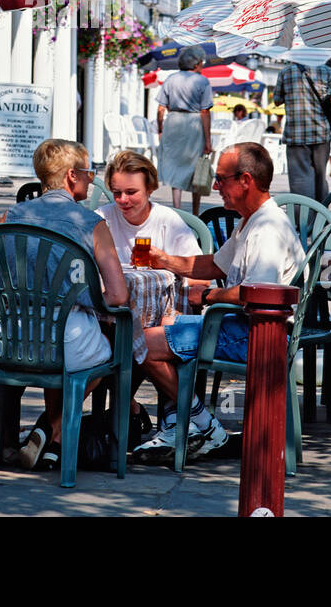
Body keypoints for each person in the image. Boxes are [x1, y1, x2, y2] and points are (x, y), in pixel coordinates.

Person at [134, 142, 304, 463]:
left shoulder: (267, 229)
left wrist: (208, 296)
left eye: (221, 179)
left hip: (259, 337)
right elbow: (213, 266)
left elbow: (255, 293)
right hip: (241, 327)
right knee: (160, 328)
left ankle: (203, 425)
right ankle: (184, 424)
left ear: (246, 181)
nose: (215, 186)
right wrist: (165, 260)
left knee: (138, 341)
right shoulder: (251, 219)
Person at [4, 139, 128, 471]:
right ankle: (52, 428)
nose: (91, 179)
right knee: (108, 350)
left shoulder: (14, 214)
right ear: (72, 176)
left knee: (68, 342)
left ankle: (53, 439)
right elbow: (118, 297)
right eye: (89, 173)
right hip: (67, 340)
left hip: (15, 340)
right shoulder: (90, 223)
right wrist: (84, 296)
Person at [97, 150, 202, 267]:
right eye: (116, 192)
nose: (123, 200)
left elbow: (201, 276)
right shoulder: (102, 218)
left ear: (149, 189)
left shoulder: (168, 221)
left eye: (131, 192)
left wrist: (167, 263)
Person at [155, 46, 214, 216]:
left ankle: (177, 208)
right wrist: (208, 140)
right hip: (193, 124)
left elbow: (160, 109)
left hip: (173, 122)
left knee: (175, 166)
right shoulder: (202, 81)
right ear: (196, 64)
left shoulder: (170, 79)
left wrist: (160, 128)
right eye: (201, 62)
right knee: (196, 168)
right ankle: (195, 212)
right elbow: (205, 111)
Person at [273, 59, 331, 203]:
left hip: (296, 134)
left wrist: (293, 94)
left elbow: (277, 100)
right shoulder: (327, 71)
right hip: (321, 132)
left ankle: (304, 220)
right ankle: (320, 217)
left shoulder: (285, 72)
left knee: (300, 179)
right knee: (320, 177)